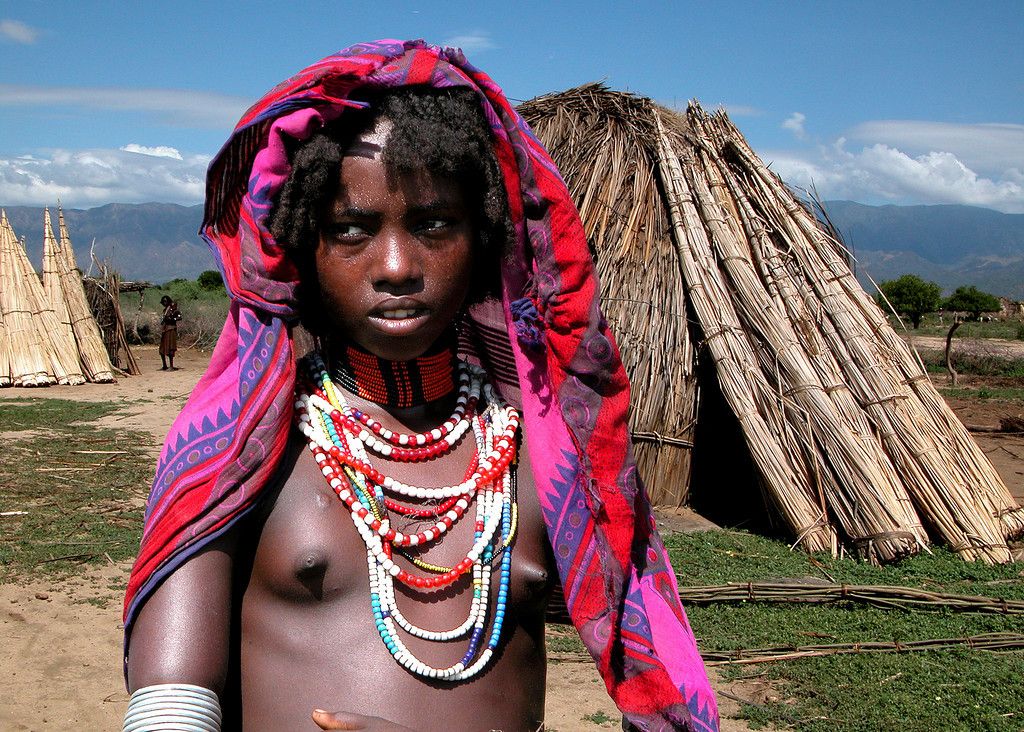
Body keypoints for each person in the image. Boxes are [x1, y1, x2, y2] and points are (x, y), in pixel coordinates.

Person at [123, 40, 718, 732]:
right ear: (302, 248)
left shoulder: (548, 461)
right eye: (351, 230)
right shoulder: (239, 455)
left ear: (486, 237)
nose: (398, 265)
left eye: (435, 224)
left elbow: (657, 685)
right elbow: (169, 707)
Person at [158, 295, 181, 370]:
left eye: (165, 301)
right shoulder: (165, 310)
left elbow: (179, 317)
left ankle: (171, 366)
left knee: (170, 347)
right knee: (162, 349)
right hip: (165, 329)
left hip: (171, 329)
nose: (164, 303)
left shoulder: (173, 310)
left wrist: (171, 318)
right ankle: (164, 365)